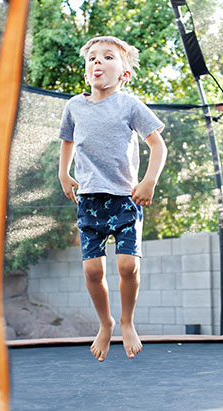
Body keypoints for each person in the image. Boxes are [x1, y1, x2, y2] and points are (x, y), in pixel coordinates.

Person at [57, 36, 167, 361]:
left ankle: (127, 321)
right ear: (86, 71)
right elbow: (67, 140)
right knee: (92, 271)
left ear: (124, 74)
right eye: (92, 58)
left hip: (125, 198)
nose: (98, 62)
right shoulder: (74, 107)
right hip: (89, 199)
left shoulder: (130, 105)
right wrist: (63, 173)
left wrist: (148, 181)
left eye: (107, 57)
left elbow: (158, 145)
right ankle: (105, 323)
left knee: (127, 264)